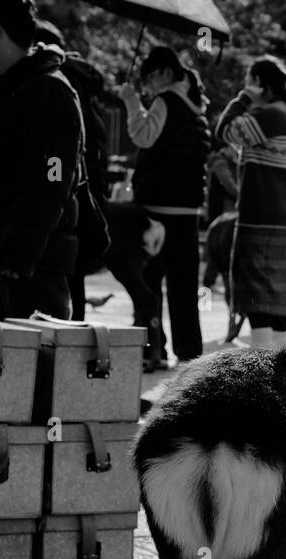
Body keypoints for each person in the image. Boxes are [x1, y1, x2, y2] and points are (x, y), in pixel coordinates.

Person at [0, 0, 84, 321]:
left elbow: (53, 177)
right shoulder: (6, 86)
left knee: (39, 365)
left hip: (32, 265)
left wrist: (21, 255)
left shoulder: (51, 90)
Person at [118, 46, 211, 370]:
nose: (147, 86)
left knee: (148, 286)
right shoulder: (198, 107)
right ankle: (191, 357)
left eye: (150, 78)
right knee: (184, 289)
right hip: (188, 212)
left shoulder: (166, 101)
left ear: (166, 74)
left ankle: (150, 350)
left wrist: (131, 100)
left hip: (157, 209)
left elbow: (143, 136)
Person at [214, 55, 286, 350]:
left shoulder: (273, 115)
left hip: (261, 216)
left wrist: (243, 97)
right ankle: (281, 361)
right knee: (275, 292)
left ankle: (262, 362)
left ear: (260, 84)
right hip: (285, 218)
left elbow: (225, 130)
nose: (245, 87)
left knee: (256, 290)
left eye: (249, 81)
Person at [34, 19, 120, 321]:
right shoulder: (81, 80)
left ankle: (65, 354)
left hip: (69, 194)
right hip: (87, 192)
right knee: (73, 277)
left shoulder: (57, 83)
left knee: (59, 282)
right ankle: (73, 352)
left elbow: (59, 153)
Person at [202, 141, 239, 290]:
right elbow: (229, 184)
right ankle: (206, 289)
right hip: (222, 210)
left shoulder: (228, 162)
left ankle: (208, 285)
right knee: (217, 248)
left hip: (226, 209)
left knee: (217, 251)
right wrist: (243, 197)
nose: (236, 151)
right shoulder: (220, 163)